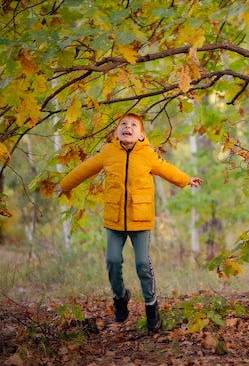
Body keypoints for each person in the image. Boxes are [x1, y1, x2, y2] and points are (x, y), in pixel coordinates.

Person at [58, 113, 203, 332]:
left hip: (141, 218)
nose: (128, 127)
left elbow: (167, 169)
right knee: (112, 260)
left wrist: (185, 180)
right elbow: (85, 168)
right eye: (123, 125)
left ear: (141, 134)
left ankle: (151, 307)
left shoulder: (148, 154)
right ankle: (120, 297)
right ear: (116, 133)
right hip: (115, 219)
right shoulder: (108, 152)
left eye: (133, 125)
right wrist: (65, 184)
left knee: (143, 264)